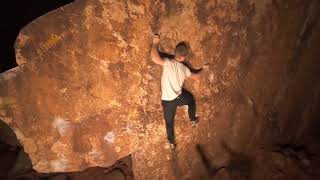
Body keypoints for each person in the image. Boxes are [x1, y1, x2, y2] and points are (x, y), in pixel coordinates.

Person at [150, 35, 201, 149]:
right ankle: (192, 120)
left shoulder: (168, 62)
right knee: (191, 100)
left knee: (169, 123)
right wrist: (204, 70)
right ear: (183, 57)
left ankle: (172, 143)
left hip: (168, 102)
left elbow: (155, 58)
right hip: (179, 97)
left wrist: (154, 43)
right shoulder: (184, 68)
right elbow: (196, 77)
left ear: (175, 52)